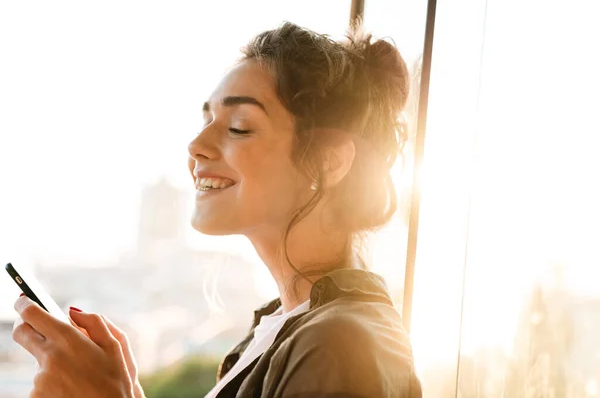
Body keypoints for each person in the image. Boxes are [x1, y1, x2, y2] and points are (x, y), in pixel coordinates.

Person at [12, 22, 422, 397]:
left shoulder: (340, 345)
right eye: (207, 119)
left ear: (329, 162)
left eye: (239, 126)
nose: (196, 146)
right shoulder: (285, 329)